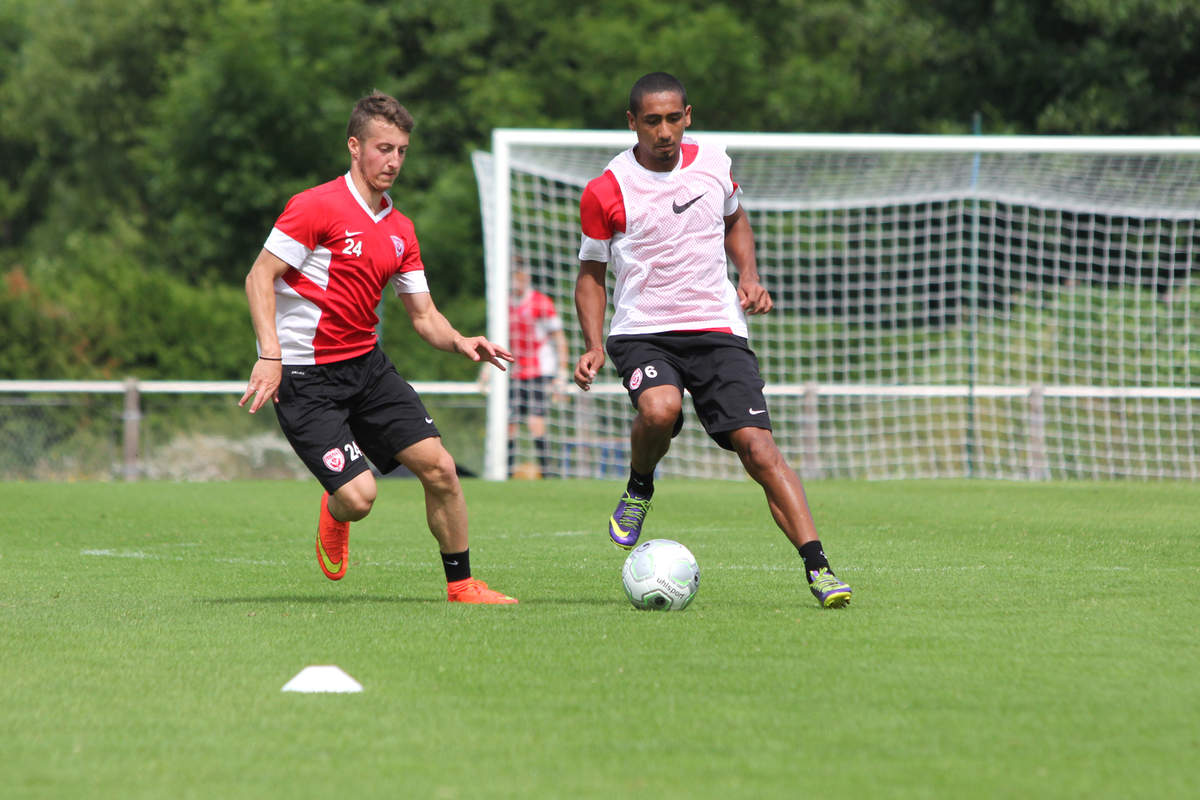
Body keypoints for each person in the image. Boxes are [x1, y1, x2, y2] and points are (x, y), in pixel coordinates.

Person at [573, 72, 852, 608]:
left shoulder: (715, 165)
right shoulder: (606, 189)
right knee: (659, 411)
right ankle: (639, 488)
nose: (664, 131)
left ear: (688, 116)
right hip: (642, 330)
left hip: (718, 328)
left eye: (673, 118)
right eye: (651, 121)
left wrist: (747, 274)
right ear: (632, 123)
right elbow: (590, 272)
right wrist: (591, 344)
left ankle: (819, 569)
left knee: (760, 449)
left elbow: (735, 220)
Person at [239, 92, 517, 604]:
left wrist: (461, 342)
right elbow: (260, 276)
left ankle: (462, 585)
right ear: (354, 146)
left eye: (402, 151)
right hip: (306, 379)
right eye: (383, 148)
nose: (393, 161)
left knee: (441, 468)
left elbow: (423, 315)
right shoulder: (315, 206)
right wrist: (270, 355)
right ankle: (336, 507)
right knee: (360, 497)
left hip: (367, 369)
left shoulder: (401, 229)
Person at [481, 261, 569, 478]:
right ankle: (507, 473)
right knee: (508, 423)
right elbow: (497, 341)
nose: (516, 281)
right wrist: (485, 371)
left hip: (540, 372)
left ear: (527, 277)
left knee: (535, 423)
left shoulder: (541, 303)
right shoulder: (506, 304)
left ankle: (547, 474)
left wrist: (562, 372)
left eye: (520, 276)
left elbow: (559, 338)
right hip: (514, 373)